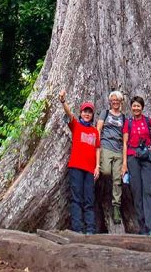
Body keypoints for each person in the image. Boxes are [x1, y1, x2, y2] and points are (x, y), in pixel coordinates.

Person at [58, 90, 99, 235]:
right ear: (81, 113)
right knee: (76, 198)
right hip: (76, 166)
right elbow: (70, 115)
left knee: (89, 199)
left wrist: (97, 167)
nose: (87, 114)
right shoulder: (76, 125)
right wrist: (63, 101)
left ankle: (90, 229)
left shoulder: (95, 132)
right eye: (85, 112)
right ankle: (78, 229)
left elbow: (97, 149)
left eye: (90, 112)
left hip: (90, 169)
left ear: (92, 115)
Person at [121, 95, 151, 236]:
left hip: (147, 159)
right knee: (137, 191)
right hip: (132, 158)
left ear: (142, 107)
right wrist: (124, 163)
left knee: (148, 191)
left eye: (138, 106)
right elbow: (125, 143)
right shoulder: (128, 122)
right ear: (131, 107)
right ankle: (142, 227)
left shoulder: (147, 120)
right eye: (134, 106)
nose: (136, 108)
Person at [96, 90, 127, 225]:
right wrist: (97, 147)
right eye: (113, 100)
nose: (115, 102)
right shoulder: (105, 113)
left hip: (118, 149)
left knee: (117, 179)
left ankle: (116, 208)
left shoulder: (123, 117)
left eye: (117, 100)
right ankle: (99, 194)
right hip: (106, 146)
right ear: (110, 101)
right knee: (106, 171)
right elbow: (98, 129)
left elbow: (125, 136)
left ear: (121, 102)